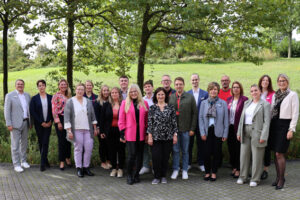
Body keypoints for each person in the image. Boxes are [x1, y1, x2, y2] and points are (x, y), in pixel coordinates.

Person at [237, 84, 270, 187]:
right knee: (244, 156)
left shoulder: (265, 104)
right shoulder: (247, 103)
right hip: (245, 131)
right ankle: (243, 177)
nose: (254, 93)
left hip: (257, 133)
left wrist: (263, 136)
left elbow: (267, 122)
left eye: (256, 90)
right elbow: (241, 119)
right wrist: (239, 132)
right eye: (251, 91)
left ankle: (255, 179)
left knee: (257, 157)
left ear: (260, 91)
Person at [269, 74, 299, 190]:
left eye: (284, 80)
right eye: (280, 81)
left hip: (285, 125)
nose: (282, 83)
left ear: (288, 82)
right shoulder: (275, 95)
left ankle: (282, 179)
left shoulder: (292, 95)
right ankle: (277, 178)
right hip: (274, 125)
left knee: (279, 153)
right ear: (277, 82)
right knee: (275, 154)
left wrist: (291, 129)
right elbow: (271, 111)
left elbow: (295, 113)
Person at [64, 83, 98, 177]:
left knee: (89, 148)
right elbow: (66, 118)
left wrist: (95, 128)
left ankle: (86, 167)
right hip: (76, 129)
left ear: (84, 91)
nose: (80, 91)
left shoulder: (88, 101)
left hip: (88, 130)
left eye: (82, 90)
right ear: (75, 90)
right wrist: (69, 131)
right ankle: (79, 168)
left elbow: (93, 116)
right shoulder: (70, 101)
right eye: (78, 89)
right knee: (78, 149)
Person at [118, 84, 149, 185]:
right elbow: (121, 119)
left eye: (135, 91)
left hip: (141, 134)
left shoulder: (144, 103)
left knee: (140, 156)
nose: (133, 93)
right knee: (132, 155)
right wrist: (122, 133)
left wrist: (147, 133)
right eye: (131, 92)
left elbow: (147, 120)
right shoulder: (124, 103)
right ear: (129, 93)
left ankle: (136, 175)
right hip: (130, 133)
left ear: (138, 92)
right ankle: (129, 175)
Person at [147, 87, 178, 184]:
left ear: (166, 96)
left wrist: (175, 135)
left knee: (165, 157)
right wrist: (150, 136)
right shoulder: (152, 108)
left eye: (162, 94)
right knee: (156, 157)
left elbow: (174, 123)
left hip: (168, 137)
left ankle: (163, 176)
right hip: (155, 137)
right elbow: (150, 123)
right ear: (156, 96)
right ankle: (156, 177)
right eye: (159, 94)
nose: (160, 96)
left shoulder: (171, 107)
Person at [199, 82, 228, 181]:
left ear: (218, 91)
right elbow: (201, 118)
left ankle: (214, 172)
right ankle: (207, 172)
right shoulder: (204, 103)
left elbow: (226, 120)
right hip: (207, 131)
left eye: (215, 89)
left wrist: (225, 133)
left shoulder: (223, 103)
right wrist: (202, 132)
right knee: (206, 153)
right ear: (208, 91)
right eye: (211, 89)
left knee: (217, 153)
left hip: (218, 131)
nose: (213, 91)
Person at [169, 77, 197, 180]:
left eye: (180, 84)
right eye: (176, 84)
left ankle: (185, 170)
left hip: (186, 129)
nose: (178, 86)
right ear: (174, 86)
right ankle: (176, 169)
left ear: (184, 85)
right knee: (175, 151)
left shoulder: (190, 97)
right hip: (174, 130)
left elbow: (194, 113)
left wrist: (192, 129)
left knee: (185, 151)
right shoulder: (171, 97)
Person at [4, 79, 31, 173]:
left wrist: (30, 122)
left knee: (24, 144)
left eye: (22, 84)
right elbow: (7, 111)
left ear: (24, 85)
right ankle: (16, 164)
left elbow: (28, 110)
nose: (20, 85)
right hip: (14, 124)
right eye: (18, 84)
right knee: (15, 145)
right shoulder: (10, 96)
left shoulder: (27, 95)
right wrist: (9, 123)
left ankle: (23, 161)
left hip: (25, 122)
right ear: (15, 85)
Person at [100, 87, 125, 178]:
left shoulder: (124, 104)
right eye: (113, 93)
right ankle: (114, 168)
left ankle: (121, 168)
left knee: (121, 150)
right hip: (110, 131)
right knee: (111, 150)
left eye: (116, 92)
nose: (114, 94)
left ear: (119, 94)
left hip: (121, 131)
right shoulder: (106, 105)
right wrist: (102, 131)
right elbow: (102, 119)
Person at [29, 80, 53, 171]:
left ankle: (42, 164)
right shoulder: (34, 98)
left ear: (45, 86)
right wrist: (41, 122)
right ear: (37, 87)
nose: (41, 87)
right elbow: (33, 112)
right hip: (39, 124)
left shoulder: (51, 97)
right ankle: (45, 160)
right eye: (39, 85)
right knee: (41, 142)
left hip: (49, 123)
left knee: (45, 142)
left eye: (43, 85)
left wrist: (51, 120)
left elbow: (53, 110)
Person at [226, 81, 248, 178]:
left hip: (239, 128)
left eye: (237, 87)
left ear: (240, 89)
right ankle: (234, 166)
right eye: (234, 87)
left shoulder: (244, 100)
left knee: (239, 149)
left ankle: (239, 169)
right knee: (231, 148)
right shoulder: (229, 99)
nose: (235, 89)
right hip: (230, 128)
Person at [187, 73, 208, 172]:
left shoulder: (205, 94)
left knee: (201, 144)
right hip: (190, 124)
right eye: (193, 80)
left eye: (196, 79)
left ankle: (201, 163)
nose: (194, 81)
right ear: (190, 81)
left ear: (199, 80)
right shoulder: (187, 94)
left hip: (201, 124)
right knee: (189, 144)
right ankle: (188, 163)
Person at [52, 79, 72, 170]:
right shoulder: (56, 96)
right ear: (59, 86)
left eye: (65, 84)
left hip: (69, 119)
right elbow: (54, 110)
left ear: (67, 86)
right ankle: (62, 161)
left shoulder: (69, 96)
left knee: (69, 139)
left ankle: (68, 158)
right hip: (60, 118)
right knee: (62, 141)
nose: (63, 86)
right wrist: (58, 122)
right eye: (61, 84)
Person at [258, 75, 275, 180]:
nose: (265, 82)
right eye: (263, 80)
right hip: (257, 125)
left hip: (268, 124)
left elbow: (272, 110)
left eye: (267, 80)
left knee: (266, 147)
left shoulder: (273, 94)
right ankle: (257, 169)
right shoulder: (257, 92)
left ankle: (265, 169)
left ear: (269, 83)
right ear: (260, 82)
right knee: (257, 147)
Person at [94, 85, 111, 169]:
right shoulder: (97, 102)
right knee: (102, 144)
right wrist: (97, 127)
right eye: (104, 90)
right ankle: (103, 161)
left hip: (109, 127)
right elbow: (96, 116)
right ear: (101, 92)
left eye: (107, 90)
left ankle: (109, 160)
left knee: (109, 144)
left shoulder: (111, 102)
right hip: (100, 127)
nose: (106, 92)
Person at [139, 80, 154, 175]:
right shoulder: (142, 100)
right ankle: (145, 166)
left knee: (154, 148)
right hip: (144, 126)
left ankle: (154, 166)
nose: (147, 88)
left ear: (152, 87)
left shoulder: (156, 98)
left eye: (149, 86)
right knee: (144, 147)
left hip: (155, 128)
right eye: (146, 87)